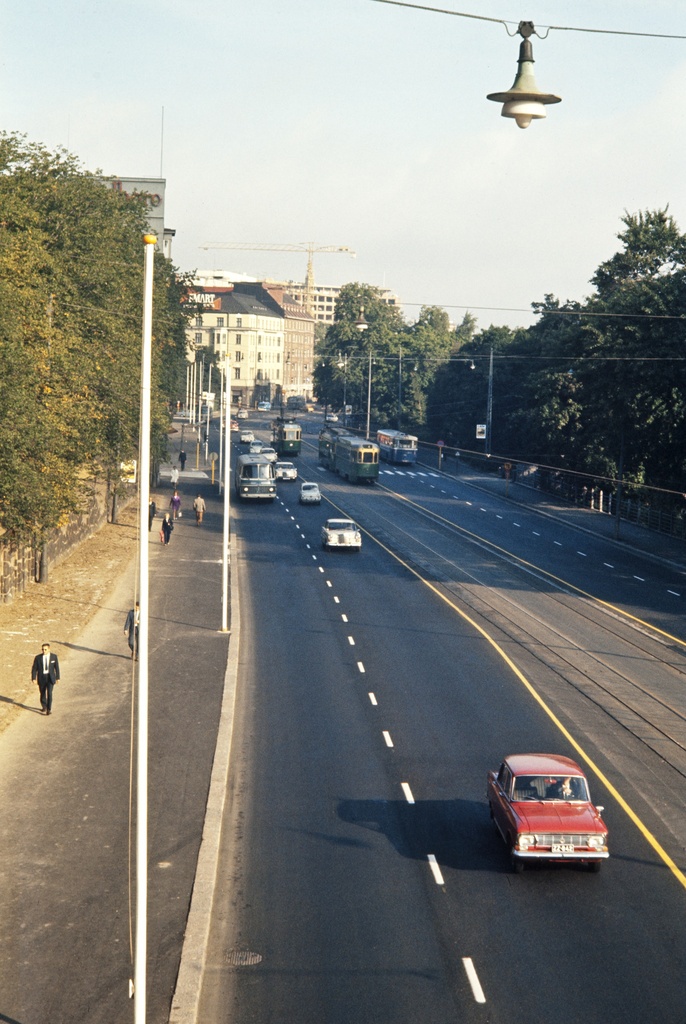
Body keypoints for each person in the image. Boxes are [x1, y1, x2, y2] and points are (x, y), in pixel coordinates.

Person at [31, 642, 60, 715]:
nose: (44, 651)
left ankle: (49, 709)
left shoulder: (54, 657)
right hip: (42, 677)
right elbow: (34, 668)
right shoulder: (38, 658)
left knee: (49, 693)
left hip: (50, 678)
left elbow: (57, 668)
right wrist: (34, 678)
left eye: (45, 649)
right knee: (42, 693)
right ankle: (44, 706)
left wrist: (57, 678)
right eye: (43, 649)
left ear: (49, 649)